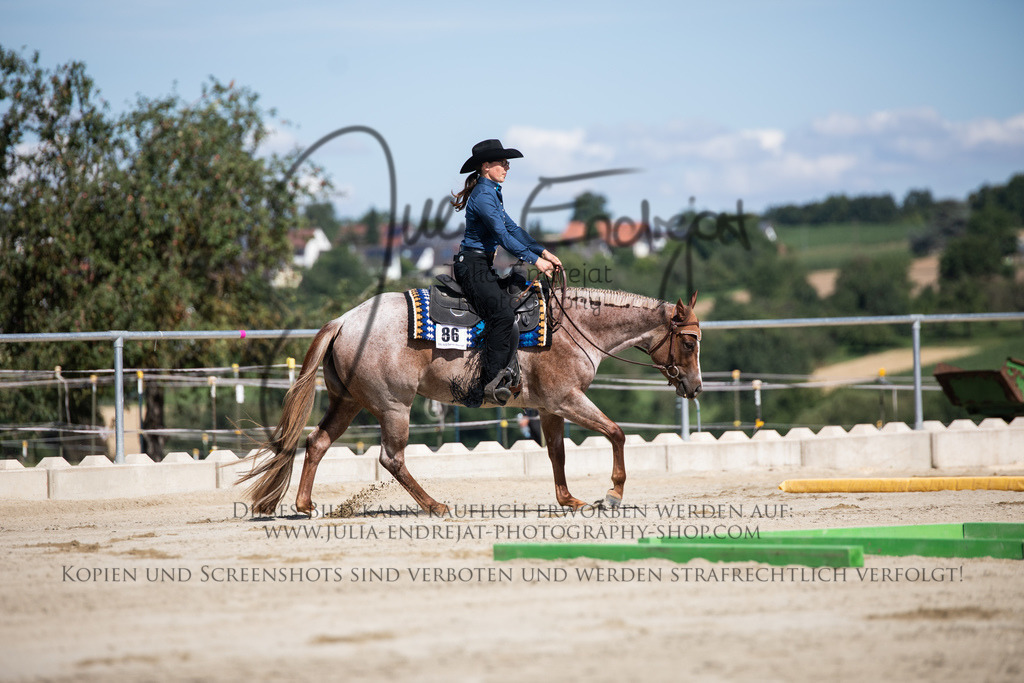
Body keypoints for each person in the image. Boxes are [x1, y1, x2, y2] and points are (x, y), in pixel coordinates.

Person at [450, 139, 562, 406]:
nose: (507, 167)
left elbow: (512, 229)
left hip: (482, 265)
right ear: (486, 166)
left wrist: (543, 252)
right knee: (502, 315)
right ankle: (490, 383)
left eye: (507, 162)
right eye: (502, 163)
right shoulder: (483, 196)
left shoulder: (491, 193)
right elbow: (501, 235)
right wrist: (534, 260)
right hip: (472, 267)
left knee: (517, 287)